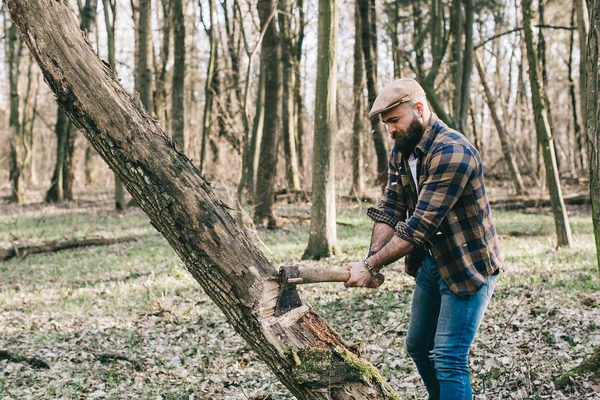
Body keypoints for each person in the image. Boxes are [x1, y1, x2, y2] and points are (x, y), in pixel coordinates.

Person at [344, 78, 503, 400]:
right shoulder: (402, 151)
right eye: (386, 123)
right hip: (433, 263)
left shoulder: (453, 152)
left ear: (419, 109)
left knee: (448, 357)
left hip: (468, 265)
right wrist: (370, 263)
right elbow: (391, 208)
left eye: (394, 121)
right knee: (418, 347)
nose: (390, 129)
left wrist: (370, 264)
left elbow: (419, 227)